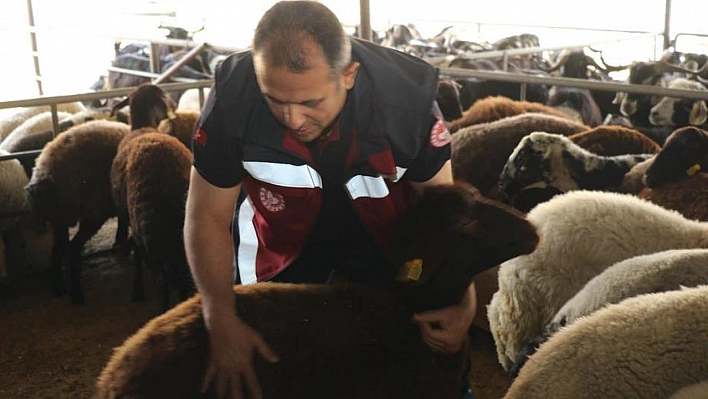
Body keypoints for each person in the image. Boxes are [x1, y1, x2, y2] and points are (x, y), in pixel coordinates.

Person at [184, 2, 478, 398]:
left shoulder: (407, 107)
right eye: (274, 99)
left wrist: (463, 297)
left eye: (310, 102)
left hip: (386, 248)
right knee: (268, 369)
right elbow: (206, 215)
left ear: (349, 75)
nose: (291, 119)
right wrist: (218, 313)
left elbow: (443, 214)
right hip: (280, 251)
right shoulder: (233, 99)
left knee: (421, 366)